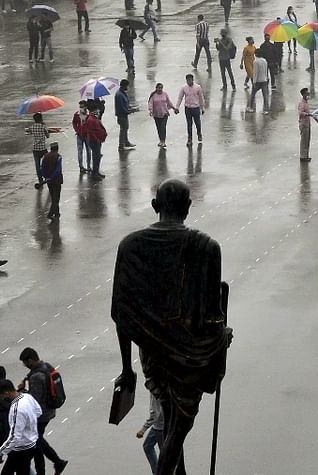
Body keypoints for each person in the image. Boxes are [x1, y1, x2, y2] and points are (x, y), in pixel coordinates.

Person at [111, 179, 231, 475]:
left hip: (151, 354)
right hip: (191, 356)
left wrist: (128, 368)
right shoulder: (207, 247)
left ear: (155, 207)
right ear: (189, 207)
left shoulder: (130, 246)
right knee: (179, 425)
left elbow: (121, 315)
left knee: (169, 416)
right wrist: (222, 338)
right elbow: (212, 317)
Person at [18, 348, 68, 474]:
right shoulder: (47, 367)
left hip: (41, 415)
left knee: (36, 441)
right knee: (37, 441)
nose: (25, 366)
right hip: (50, 410)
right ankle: (54, 464)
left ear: (30, 360)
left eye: (25, 363)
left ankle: (57, 462)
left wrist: (21, 391)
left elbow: (34, 399)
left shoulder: (36, 376)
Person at [0, 378, 42, 475]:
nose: (1, 399)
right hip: (32, 443)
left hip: (21, 449)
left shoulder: (16, 409)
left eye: (1, 395)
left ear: (6, 393)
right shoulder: (27, 397)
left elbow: (15, 436)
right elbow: (38, 412)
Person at [137, 390, 165, 475]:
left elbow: (154, 414)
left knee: (164, 454)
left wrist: (143, 429)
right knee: (148, 446)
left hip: (160, 427)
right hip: (164, 424)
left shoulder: (155, 390)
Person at [148, 83, 177, 148]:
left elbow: (169, 102)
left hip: (164, 113)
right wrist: (151, 111)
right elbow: (150, 103)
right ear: (156, 88)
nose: (160, 89)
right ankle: (160, 140)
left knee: (163, 127)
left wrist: (174, 108)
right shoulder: (153, 95)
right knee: (158, 128)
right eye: (159, 88)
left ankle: (163, 141)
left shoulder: (165, 94)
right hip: (156, 114)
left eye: (161, 88)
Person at [39, 143, 63, 219]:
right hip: (57, 180)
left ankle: (57, 213)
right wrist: (52, 177)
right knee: (56, 198)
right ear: (57, 148)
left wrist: (46, 177)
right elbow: (58, 170)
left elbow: (42, 168)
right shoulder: (58, 156)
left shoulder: (45, 156)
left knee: (53, 197)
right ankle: (51, 213)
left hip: (48, 181)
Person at [84, 109, 108, 180]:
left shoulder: (94, 118)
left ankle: (96, 172)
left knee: (97, 157)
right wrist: (97, 139)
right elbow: (91, 132)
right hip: (94, 141)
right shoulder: (91, 120)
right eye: (97, 112)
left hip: (97, 140)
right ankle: (95, 173)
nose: (98, 113)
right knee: (96, 157)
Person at [116, 80, 136, 151]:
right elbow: (121, 107)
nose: (128, 87)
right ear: (124, 86)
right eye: (127, 86)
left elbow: (125, 103)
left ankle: (126, 142)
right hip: (122, 115)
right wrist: (130, 111)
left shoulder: (122, 93)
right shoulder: (119, 95)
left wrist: (130, 107)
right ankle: (121, 145)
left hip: (124, 115)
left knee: (125, 128)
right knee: (123, 129)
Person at [297, 88, 313, 162]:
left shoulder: (306, 103)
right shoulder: (302, 103)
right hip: (304, 124)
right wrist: (307, 114)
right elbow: (300, 112)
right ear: (303, 94)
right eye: (306, 93)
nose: (308, 95)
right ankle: (303, 156)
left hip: (307, 123)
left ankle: (306, 155)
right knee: (304, 140)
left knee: (307, 140)